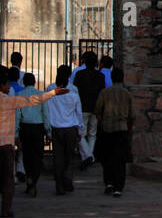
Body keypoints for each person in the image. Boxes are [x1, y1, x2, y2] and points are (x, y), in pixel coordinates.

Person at [0, 66, 67, 218]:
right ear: (3, 86)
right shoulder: (10, 100)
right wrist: (52, 93)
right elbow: (32, 100)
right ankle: (6, 210)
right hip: (6, 143)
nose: (10, 86)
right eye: (7, 84)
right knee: (8, 177)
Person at [94, 68, 135, 197]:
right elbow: (132, 115)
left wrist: (102, 123)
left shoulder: (105, 92)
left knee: (107, 157)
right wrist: (128, 128)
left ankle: (109, 183)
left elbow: (98, 110)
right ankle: (118, 186)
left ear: (111, 78)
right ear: (123, 78)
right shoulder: (127, 94)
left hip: (107, 128)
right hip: (121, 128)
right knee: (120, 159)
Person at [46, 65, 84, 195]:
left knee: (58, 158)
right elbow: (78, 112)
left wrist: (48, 130)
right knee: (69, 157)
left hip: (56, 127)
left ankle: (59, 183)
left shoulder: (50, 90)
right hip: (70, 128)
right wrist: (80, 129)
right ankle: (67, 179)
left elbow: (47, 110)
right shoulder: (73, 92)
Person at [15, 73, 50, 197]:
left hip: (25, 127)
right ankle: (33, 180)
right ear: (34, 82)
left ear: (23, 83)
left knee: (27, 155)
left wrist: (15, 133)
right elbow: (45, 114)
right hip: (38, 128)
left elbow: (17, 116)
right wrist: (48, 132)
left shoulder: (19, 95)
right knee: (37, 156)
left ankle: (29, 177)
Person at [71, 51, 105, 166]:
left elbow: (75, 91)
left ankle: (88, 156)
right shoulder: (100, 76)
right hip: (95, 107)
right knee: (92, 133)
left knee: (81, 133)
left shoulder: (80, 74)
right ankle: (89, 156)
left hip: (83, 107)